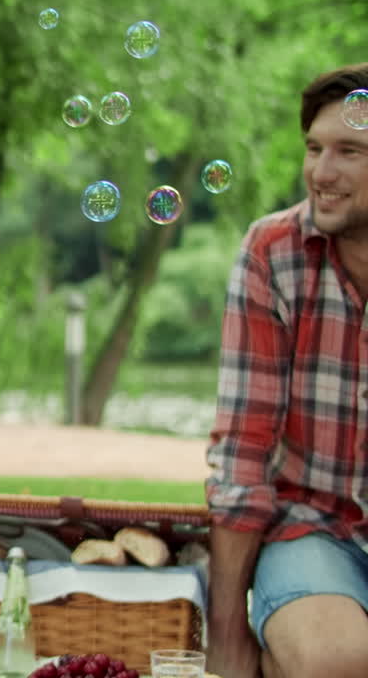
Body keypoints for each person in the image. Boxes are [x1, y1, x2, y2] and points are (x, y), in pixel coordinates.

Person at [206, 62, 368, 678]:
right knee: (337, 662)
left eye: (348, 151)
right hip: (314, 530)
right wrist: (227, 633)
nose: (321, 173)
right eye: (314, 148)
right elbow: (244, 451)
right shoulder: (272, 252)